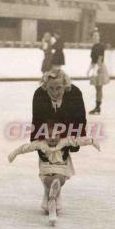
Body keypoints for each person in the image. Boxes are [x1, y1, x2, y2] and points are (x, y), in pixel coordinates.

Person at [8, 126, 100, 226]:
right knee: (53, 180)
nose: (52, 138)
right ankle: (52, 197)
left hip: (59, 170)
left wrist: (91, 140)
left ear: (60, 135)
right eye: (49, 135)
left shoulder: (65, 141)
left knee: (58, 178)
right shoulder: (40, 143)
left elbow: (78, 141)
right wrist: (14, 153)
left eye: (55, 135)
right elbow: (25, 148)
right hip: (47, 172)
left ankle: (52, 201)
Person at [31, 68, 87, 216]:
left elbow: (80, 118)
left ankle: (54, 192)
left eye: (59, 88)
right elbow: (36, 122)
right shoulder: (39, 95)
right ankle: (49, 192)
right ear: (45, 86)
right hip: (47, 130)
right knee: (46, 162)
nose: (55, 92)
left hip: (67, 127)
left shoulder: (74, 93)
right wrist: (39, 147)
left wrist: (75, 141)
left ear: (65, 85)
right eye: (51, 88)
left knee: (61, 162)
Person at [87, 31, 110, 115]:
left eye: (97, 36)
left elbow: (100, 58)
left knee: (99, 87)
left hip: (100, 67)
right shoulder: (94, 46)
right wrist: (89, 70)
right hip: (95, 67)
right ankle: (97, 106)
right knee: (97, 88)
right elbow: (93, 59)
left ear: (99, 37)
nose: (95, 37)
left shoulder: (101, 46)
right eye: (94, 36)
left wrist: (97, 68)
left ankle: (98, 107)